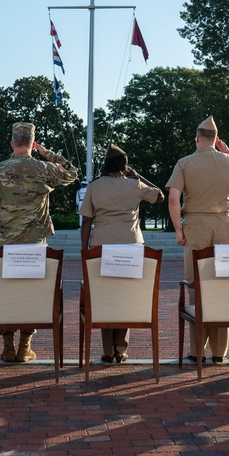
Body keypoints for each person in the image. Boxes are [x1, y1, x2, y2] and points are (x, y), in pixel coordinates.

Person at [0, 122, 78, 362]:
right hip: (35, 246)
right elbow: (71, 173)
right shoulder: (44, 168)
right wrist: (48, 153)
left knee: (7, 295)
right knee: (32, 294)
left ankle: (8, 347)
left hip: (6, 245)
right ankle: (25, 346)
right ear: (33, 144)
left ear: (12, 143)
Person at [166, 116, 229, 364]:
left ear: (197, 138)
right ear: (215, 139)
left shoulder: (184, 163)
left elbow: (174, 199)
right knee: (222, 285)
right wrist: (227, 150)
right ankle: (219, 352)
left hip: (196, 225)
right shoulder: (228, 160)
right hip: (224, 225)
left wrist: (178, 230)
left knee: (196, 286)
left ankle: (197, 351)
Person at [79, 144, 164, 363]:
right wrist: (139, 176)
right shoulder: (134, 184)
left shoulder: (94, 187)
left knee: (105, 297)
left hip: (101, 247)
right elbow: (160, 196)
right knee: (125, 297)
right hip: (130, 247)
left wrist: (84, 250)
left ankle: (108, 350)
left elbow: (87, 221)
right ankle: (121, 349)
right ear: (124, 166)